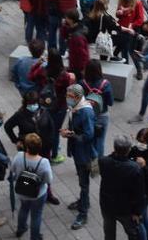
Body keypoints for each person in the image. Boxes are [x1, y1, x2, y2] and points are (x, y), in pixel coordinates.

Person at [62, 84, 96, 230]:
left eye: (69, 96)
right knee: (82, 182)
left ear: (76, 97)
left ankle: (83, 213)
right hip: (78, 151)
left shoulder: (85, 112)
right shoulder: (75, 108)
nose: (67, 98)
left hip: (85, 154)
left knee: (84, 184)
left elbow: (89, 135)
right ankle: (84, 201)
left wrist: (71, 135)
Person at [98, 135, 144, 240]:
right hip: (125, 209)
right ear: (128, 150)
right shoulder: (135, 168)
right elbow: (139, 193)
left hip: (107, 205)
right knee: (132, 233)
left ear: (114, 148)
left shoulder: (103, 161)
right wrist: (137, 212)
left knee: (109, 232)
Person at [10, 133, 53, 240]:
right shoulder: (44, 162)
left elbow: (12, 170)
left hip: (22, 189)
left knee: (23, 209)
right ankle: (35, 237)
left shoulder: (19, 156)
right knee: (36, 215)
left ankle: (21, 228)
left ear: (27, 147)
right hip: (38, 193)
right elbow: (48, 180)